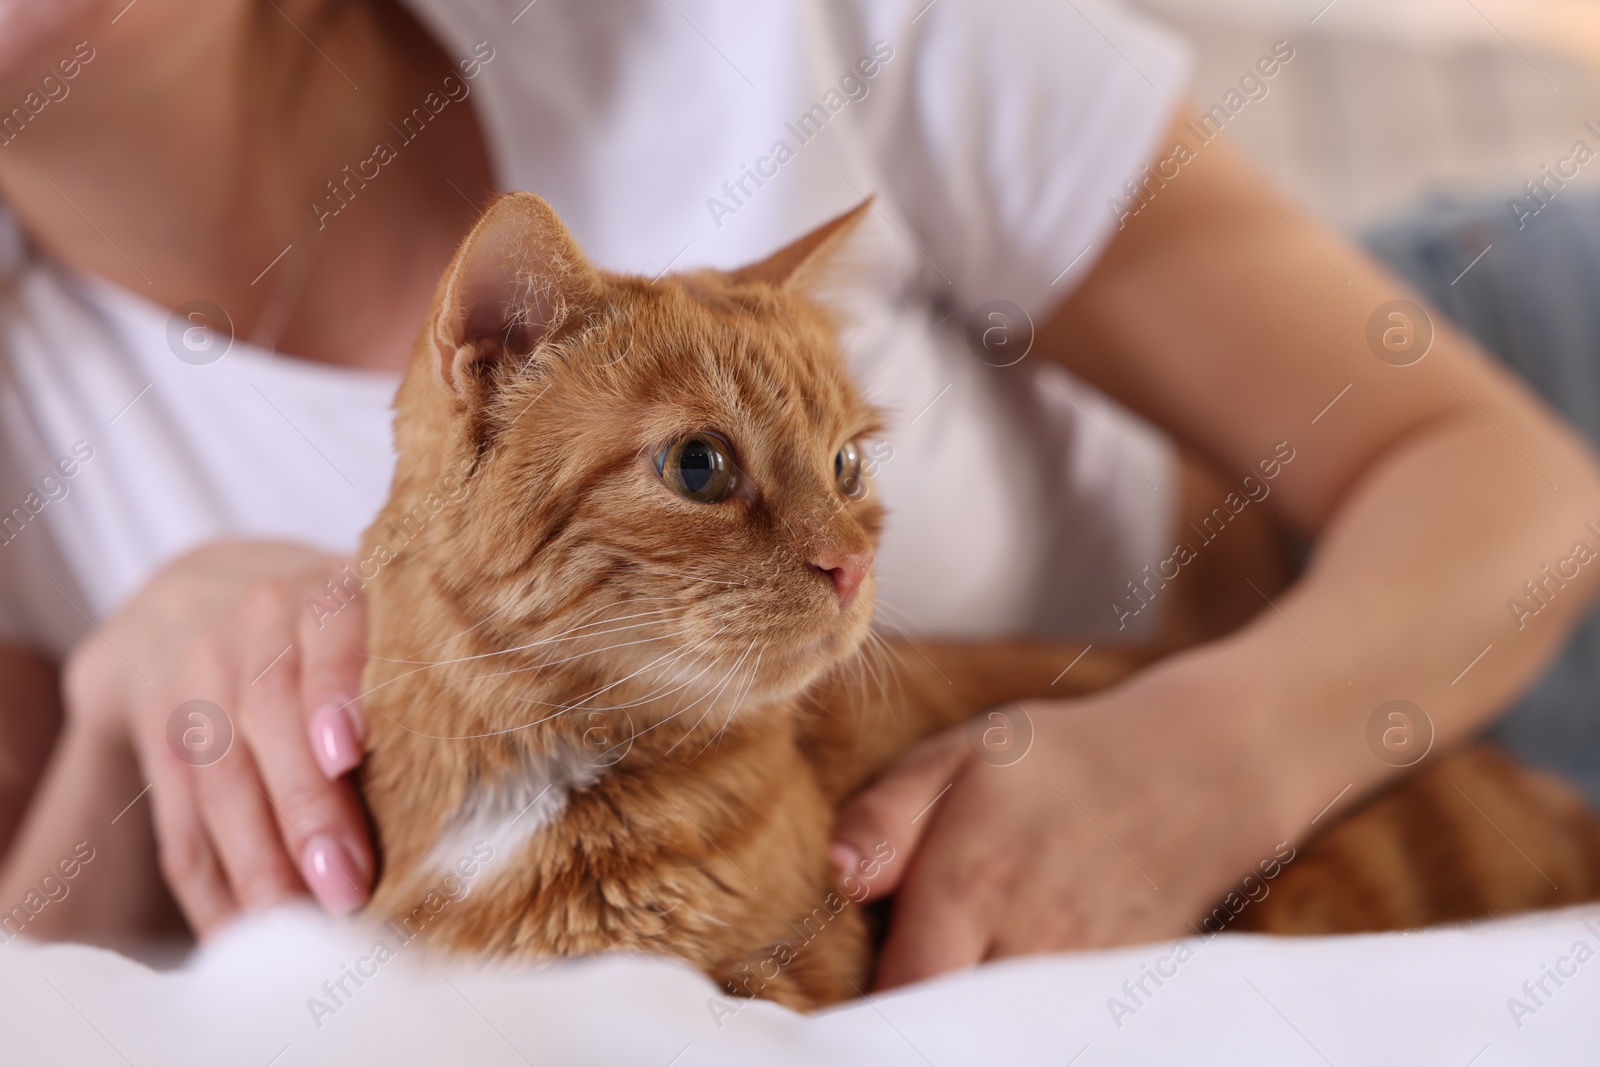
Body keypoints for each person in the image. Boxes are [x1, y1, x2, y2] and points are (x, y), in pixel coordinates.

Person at [0, 0, 1596, 994]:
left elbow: (1509, 481)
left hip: (1434, 480)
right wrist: (119, 698)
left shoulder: (767, 26)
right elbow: (40, 974)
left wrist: (1206, 765)